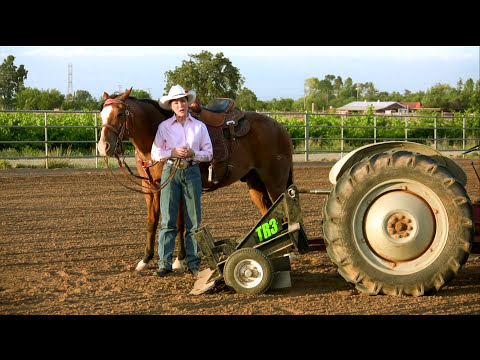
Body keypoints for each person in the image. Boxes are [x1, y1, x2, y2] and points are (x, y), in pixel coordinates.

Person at [151, 85, 213, 277]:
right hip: (171, 171)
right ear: (171, 106)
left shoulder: (199, 126)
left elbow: (209, 152)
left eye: (183, 101)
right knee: (168, 220)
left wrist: (194, 153)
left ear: (188, 103)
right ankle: (164, 264)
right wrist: (173, 152)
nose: (180, 105)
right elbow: (155, 152)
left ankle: (193, 264)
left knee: (194, 221)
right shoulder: (164, 127)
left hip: (192, 171)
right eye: (176, 102)